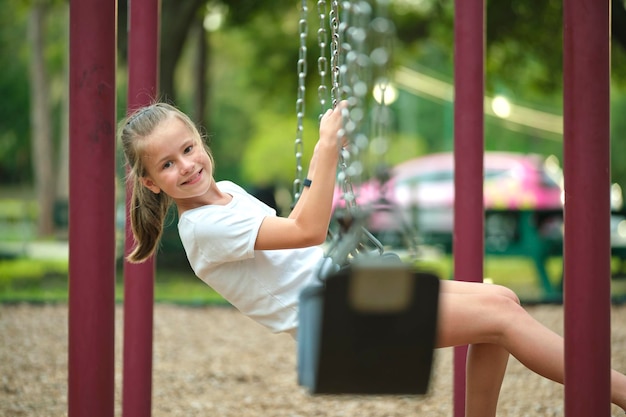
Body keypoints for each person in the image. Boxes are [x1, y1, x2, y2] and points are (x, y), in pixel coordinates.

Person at [119, 102, 626, 416]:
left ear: (199, 140)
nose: (187, 166)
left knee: (501, 301)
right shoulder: (203, 228)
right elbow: (306, 229)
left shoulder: (225, 193)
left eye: (188, 149)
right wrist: (325, 149)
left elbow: (297, 236)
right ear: (150, 181)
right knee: (500, 316)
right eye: (167, 164)